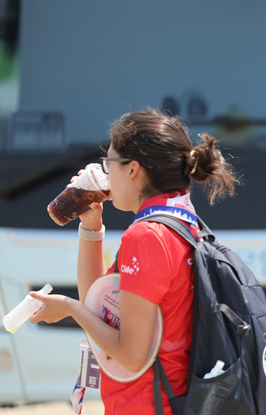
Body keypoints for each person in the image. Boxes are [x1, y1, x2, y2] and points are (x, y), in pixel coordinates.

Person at [29, 108, 239, 414]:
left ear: (132, 170)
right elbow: (102, 306)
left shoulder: (146, 236)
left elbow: (131, 355)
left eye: (109, 163)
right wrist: (91, 227)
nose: (106, 172)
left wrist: (69, 309)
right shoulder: (181, 220)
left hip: (148, 404)